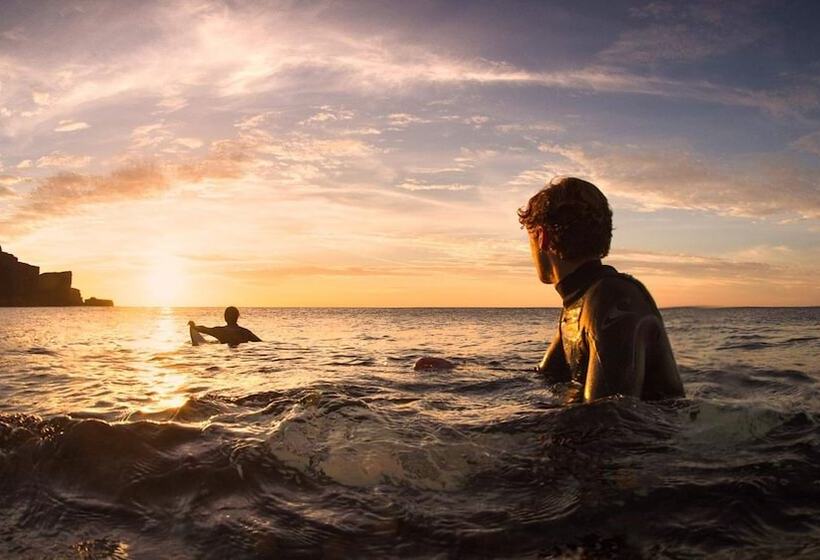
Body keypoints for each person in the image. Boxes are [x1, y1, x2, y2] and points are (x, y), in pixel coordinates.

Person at [519, 176, 684, 402]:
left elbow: (607, 420)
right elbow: (543, 378)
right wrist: (458, 369)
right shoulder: (579, 303)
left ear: (541, 237)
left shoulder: (611, 298)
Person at [188, 306, 261, 346]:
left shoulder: (220, 331)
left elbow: (205, 329)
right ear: (237, 317)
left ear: (225, 317)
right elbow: (260, 342)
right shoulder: (245, 332)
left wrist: (194, 326)